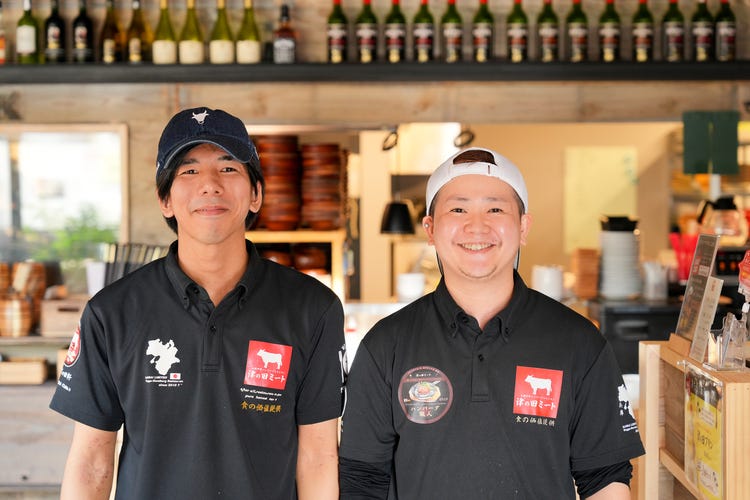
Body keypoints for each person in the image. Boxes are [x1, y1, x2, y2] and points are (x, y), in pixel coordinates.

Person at [50, 107, 346, 500]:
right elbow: (91, 462)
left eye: (228, 168)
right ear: (165, 200)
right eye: (189, 171)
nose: (210, 184)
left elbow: (318, 457)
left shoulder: (313, 308)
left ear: (256, 195)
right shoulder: (112, 312)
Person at [339, 147, 645, 499]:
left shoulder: (579, 341)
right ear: (430, 228)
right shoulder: (385, 345)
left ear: (523, 227)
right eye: (458, 209)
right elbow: (362, 480)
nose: (477, 226)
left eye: (495, 209)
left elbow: (605, 476)